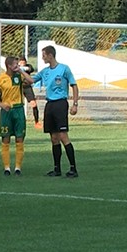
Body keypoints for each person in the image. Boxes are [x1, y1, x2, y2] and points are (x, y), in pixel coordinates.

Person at [31, 45, 80, 178]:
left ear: (50, 55)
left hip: (60, 104)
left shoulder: (64, 69)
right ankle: (57, 169)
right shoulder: (45, 71)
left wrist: (75, 104)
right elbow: (31, 80)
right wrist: (19, 71)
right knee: (53, 138)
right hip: (50, 105)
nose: (42, 58)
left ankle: (73, 168)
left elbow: (74, 86)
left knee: (63, 136)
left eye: (44, 55)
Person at [0, 56, 34, 175]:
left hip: (18, 109)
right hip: (6, 111)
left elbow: (31, 81)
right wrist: (1, 105)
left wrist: (20, 71)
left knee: (19, 138)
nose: (18, 66)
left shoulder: (19, 76)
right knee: (5, 139)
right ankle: (6, 168)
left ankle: (17, 168)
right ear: (9, 66)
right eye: (16, 64)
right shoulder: (0, 79)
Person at [18, 57, 41, 129]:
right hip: (18, 87)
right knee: (17, 105)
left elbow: (30, 69)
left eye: (23, 62)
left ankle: (37, 122)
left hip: (27, 87)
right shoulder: (15, 67)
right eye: (21, 62)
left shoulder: (28, 66)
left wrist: (22, 68)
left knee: (34, 104)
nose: (22, 63)